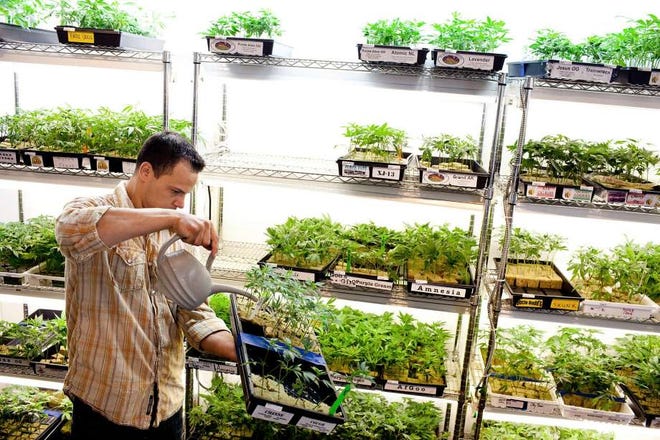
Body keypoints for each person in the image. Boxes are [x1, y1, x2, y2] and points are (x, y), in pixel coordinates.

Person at [55, 131, 237, 440]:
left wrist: (242, 352)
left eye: (185, 196)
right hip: (105, 408)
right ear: (146, 172)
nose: (180, 203)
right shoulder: (92, 207)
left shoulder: (175, 233)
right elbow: (68, 231)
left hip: (166, 410)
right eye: (175, 192)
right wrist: (168, 217)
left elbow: (192, 310)